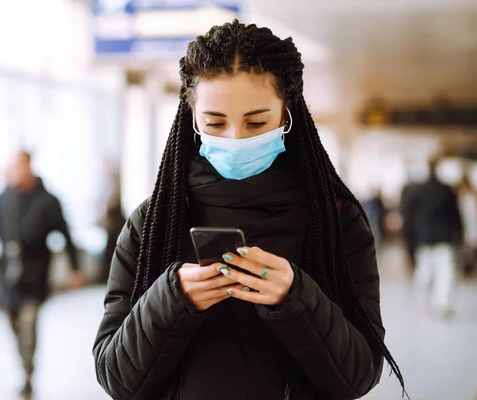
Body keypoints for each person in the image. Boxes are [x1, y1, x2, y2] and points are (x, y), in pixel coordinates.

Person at [93, 20, 404, 400]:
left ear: (287, 115)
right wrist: (172, 299)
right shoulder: (153, 221)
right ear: (192, 119)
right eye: (215, 122)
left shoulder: (336, 220)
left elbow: (358, 375)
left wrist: (295, 297)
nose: (236, 138)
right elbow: (117, 378)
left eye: (257, 122)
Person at [0, 150, 84, 398]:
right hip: (8, 277)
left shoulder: (47, 201)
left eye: (20, 166)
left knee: (29, 323)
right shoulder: (4, 199)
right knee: (13, 322)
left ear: (29, 166)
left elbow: (66, 235)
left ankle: (28, 374)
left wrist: (75, 269)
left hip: (35, 275)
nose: (16, 171)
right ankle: (24, 361)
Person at [413, 157, 463, 318]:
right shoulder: (446, 189)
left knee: (424, 270)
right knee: (444, 272)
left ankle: (423, 302)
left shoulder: (419, 189)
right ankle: (443, 305)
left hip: (424, 236)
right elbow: (455, 215)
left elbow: (411, 213)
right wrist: (459, 233)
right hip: (444, 236)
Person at [97, 160, 126, 283]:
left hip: (115, 223)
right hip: (110, 224)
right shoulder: (107, 180)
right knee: (109, 251)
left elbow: (115, 198)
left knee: (112, 251)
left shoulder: (116, 179)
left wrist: (107, 206)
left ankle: (109, 276)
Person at [457, 174, 477, 276]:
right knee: (467, 247)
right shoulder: (461, 197)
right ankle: (467, 267)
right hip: (465, 224)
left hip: (471, 223)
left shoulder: (472, 196)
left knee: (472, 245)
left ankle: (470, 267)